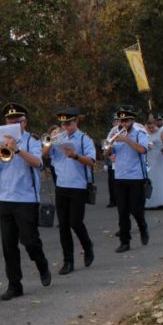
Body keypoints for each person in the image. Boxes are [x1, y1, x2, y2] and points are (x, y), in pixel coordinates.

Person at [0, 102, 51, 300]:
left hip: (27, 199)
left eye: (17, 120)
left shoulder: (32, 141)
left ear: (24, 122)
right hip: (5, 199)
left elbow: (38, 163)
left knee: (30, 240)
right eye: (9, 120)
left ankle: (42, 264)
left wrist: (18, 150)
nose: (13, 123)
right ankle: (14, 285)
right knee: (8, 245)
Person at [42, 108, 95, 275]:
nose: (66, 126)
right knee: (63, 226)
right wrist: (50, 142)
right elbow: (43, 156)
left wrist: (76, 156)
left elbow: (91, 161)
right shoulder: (59, 138)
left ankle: (88, 247)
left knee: (75, 222)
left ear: (76, 122)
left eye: (69, 123)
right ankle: (68, 261)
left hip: (78, 186)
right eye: (63, 123)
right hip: (62, 186)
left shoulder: (84, 139)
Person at [103, 107, 149, 253]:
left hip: (136, 177)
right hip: (120, 176)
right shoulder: (115, 133)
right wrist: (109, 148)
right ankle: (125, 241)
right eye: (122, 120)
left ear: (132, 121)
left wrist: (126, 139)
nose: (124, 123)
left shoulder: (139, 133)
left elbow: (143, 150)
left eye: (127, 120)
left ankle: (143, 227)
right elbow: (106, 152)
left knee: (136, 209)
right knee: (122, 211)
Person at [104, 113, 119, 207]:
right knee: (112, 181)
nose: (116, 123)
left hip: (122, 161)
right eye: (115, 121)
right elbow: (105, 147)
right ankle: (112, 200)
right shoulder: (110, 133)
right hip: (111, 161)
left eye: (118, 121)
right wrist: (106, 162)